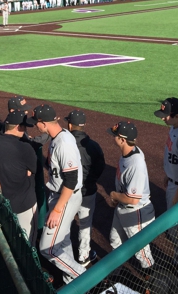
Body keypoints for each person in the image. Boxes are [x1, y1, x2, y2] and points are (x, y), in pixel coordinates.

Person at [27, 104, 86, 284]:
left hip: (65, 197)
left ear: (43, 123)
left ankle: (86, 277)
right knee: (62, 241)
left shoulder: (64, 143)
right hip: (60, 195)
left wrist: (57, 210)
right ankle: (72, 283)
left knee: (47, 248)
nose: (36, 126)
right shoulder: (59, 136)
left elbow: (71, 180)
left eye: (37, 123)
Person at [108, 121, 156, 272]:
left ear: (122, 139)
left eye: (115, 136)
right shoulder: (128, 152)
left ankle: (151, 281)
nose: (112, 137)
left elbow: (133, 200)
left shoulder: (135, 164)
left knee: (141, 252)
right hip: (123, 207)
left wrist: (115, 195)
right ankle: (119, 274)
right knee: (115, 241)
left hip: (136, 211)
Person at [0, 111, 38, 244]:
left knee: (10, 241)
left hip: (4, 202)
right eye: (24, 126)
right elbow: (32, 171)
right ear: (17, 127)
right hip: (25, 203)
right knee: (28, 243)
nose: (25, 129)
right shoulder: (25, 148)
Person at [64, 110, 105, 267]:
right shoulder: (94, 146)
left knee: (65, 224)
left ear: (69, 124)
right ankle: (83, 257)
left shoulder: (64, 144)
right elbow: (100, 167)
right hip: (88, 191)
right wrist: (91, 181)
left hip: (69, 192)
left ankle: (65, 256)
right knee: (85, 225)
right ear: (84, 125)